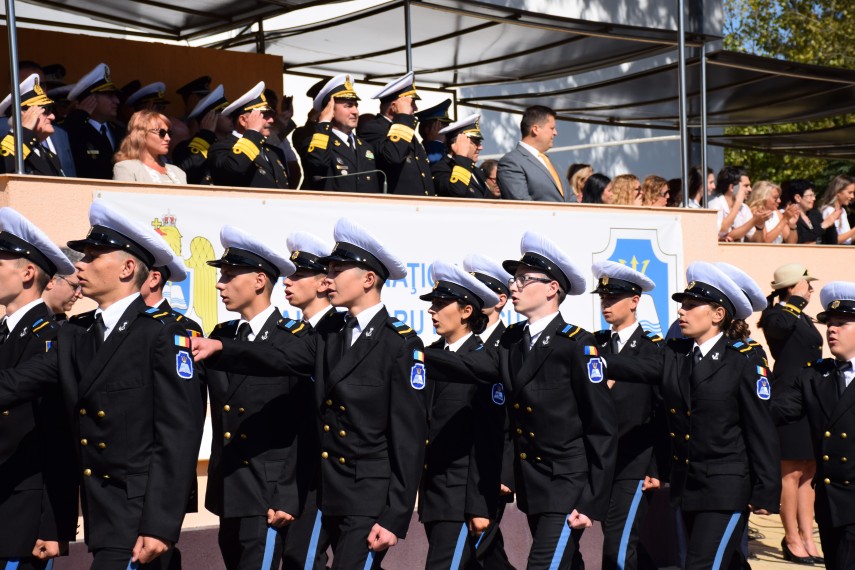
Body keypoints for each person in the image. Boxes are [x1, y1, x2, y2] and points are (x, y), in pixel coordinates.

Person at [192, 218, 428, 569]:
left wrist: (395, 516)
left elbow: (409, 439)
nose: (328, 279)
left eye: (337, 270)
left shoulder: (400, 344)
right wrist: (223, 349)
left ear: (368, 279)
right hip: (324, 492)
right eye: (327, 270)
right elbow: (280, 356)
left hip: (368, 499)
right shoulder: (328, 333)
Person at [0, 200, 205, 569]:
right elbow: (16, 383)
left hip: (140, 519)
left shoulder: (163, 335)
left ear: (128, 268)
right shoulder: (76, 335)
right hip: (102, 516)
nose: (80, 264)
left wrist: (160, 526)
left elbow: (178, 436)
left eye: (93, 256)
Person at [425, 232, 617, 569]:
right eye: (515, 279)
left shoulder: (576, 345)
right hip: (533, 486)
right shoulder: (512, 341)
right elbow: (472, 366)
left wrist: (590, 500)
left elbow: (602, 426)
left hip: (566, 485)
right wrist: (415, 355)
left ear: (551, 288)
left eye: (524, 279)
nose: (513, 286)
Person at [603, 262, 781, 569]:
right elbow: (635, 367)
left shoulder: (742, 362)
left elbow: (760, 429)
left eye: (691, 306)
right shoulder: (676, 355)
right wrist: (586, 357)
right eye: (681, 306)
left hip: (727, 489)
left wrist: (766, 489)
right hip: (688, 487)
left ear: (717, 314)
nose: (681, 312)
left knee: (703, 564)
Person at [203, 225, 308, 570]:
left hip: (267, 496)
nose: (220, 284)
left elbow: (303, 428)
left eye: (230, 276)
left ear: (260, 281)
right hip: (229, 491)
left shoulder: (294, 340)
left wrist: (287, 495)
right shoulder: (221, 335)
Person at [0, 208, 78, 570]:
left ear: (28, 273)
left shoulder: (53, 339)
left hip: (23, 513)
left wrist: (53, 524)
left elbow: (60, 440)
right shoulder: (5, 333)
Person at [418, 260, 500, 569]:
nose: (432, 311)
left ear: (466, 311)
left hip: (460, 499)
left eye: (441, 304)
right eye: (432, 304)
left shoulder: (485, 362)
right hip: (433, 495)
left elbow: (488, 439)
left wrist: (479, 506)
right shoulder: (429, 355)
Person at [772, 282, 855, 570]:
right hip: (831, 506)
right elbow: (780, 410)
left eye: (842, 324)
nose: (831, 330)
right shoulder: (815, 376)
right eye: (829, 324)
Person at [591, 260, 664, 570]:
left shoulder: (653, 350)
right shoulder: (595, 344)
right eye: (603, 298)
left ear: (634, 301)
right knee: (617, 541)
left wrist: (657, 466)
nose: (605, 304)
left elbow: (661, 413)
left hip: (634, 463)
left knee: (618, 550)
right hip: (599, 462)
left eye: (613, 298)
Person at [279, 231, 339, 570]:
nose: (287, 281)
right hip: (292, 470)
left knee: (304, 557)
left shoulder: (338, 333)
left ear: (322, 284)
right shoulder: (291, 335)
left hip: (325, 473)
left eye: (298, 274)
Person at [757, 263, 824, 564]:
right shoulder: (777, 315)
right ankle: (792, 538)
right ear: (793, 286)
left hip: (811, 398)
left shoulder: (802, 317)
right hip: (788, 400)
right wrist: (795, 299)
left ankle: (808, 536)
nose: (811, 289)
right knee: (791, 471)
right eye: (806, 284)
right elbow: (780, 329)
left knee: (809, 472)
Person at [462, 253, 515, 569]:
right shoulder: (463, 340)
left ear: (500, 299)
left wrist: (505, 472)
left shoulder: (511, 344)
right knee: (477, 552)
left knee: (480, 547)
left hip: (491, 467)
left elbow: (514, 417)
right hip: (459, 468)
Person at [299, 75, 381, 193]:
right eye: (348, 106)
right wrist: (324, 122)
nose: (355, 112)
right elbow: (317, 164)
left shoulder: (365, 147)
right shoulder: (315, 142)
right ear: (330, 110)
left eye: (356, 106)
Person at [359, 72, 435, 196]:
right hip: (398, 207)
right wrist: (403, 117)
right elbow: (393, 156)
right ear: (394, 107)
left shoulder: (403, 128)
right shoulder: (374, 128)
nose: (415, 109)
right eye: (411, 104)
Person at [208, 81, 290, 189]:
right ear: (243, 120)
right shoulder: (221, 148)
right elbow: (234, 168)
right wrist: (252, 132)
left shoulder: (275, 152)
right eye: (263, 115)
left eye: (271, 115)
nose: (271, 120)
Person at [497, 106, 574, 202]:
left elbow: (570, 198)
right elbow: (522, 203)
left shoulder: (551, 163)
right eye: (552, 128)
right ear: (535, 129)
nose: (555, 133)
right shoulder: (511, 162)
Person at [64, 63, 123, 179]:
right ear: (90, 99)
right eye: (109, 95)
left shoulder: (118, 130)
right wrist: (79, 116)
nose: (117, 101)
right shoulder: (76, 129)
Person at [0, 74, 65, 176]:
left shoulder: (50, 155)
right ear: (22, 115)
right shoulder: (2, 145)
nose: (52, 117)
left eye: (51, 110)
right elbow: (3, 166)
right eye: (45, 111)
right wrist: (25, 130)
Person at [173, 84, 230, 185]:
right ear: (209, 119)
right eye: (224, 112)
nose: (231, 116)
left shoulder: (233, 144)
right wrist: (206, 135)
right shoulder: (184, 148)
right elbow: (187, 170)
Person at [113, 110, 187, 184]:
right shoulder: (126, 168)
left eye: (169, 133)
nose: (168, 138)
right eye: (162, 133)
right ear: (141, 135)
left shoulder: (179, 172)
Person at [431, 114, 489, 198]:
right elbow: (456, 192)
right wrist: (461, 156)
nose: (480, 147)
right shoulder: (440, 169)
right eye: (476, 142)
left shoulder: (476, 171)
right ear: (458, 144)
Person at [710, 166, 765, 243]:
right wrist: (738, 203)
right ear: (732, 187)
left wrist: (760, 226)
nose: (750, 189)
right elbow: (722, 229)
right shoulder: (714, 205)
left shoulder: (744, 208)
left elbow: (755, 241)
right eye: (746, 186)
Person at [780, 179, 838, 244]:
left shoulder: (815, 214)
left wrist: (831, 225)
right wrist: (823, 226)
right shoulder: (788, 216)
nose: (814, 198)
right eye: (810, 196)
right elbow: (800, 240)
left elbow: (832, 241)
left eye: (814, 195)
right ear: (798, 198)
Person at [42, 246, 84, 323]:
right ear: (51, 281)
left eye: (81, 288)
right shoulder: (20, 316)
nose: (79, 295)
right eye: (74, 287)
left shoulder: (68, 326)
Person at [415, 98, 453, 165]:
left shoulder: (448, 149)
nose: (448, 129)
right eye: (443, 125)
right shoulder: (419, 152)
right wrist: (436, 143)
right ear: (427, 129)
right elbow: (436, 168)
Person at [820, 174, 855, 245]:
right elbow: (834, 240)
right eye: (849, 192)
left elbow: (847, 239)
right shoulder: (829, 210)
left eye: (853, 193)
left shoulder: (843, 211)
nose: (852, 196)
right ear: (838, 192)